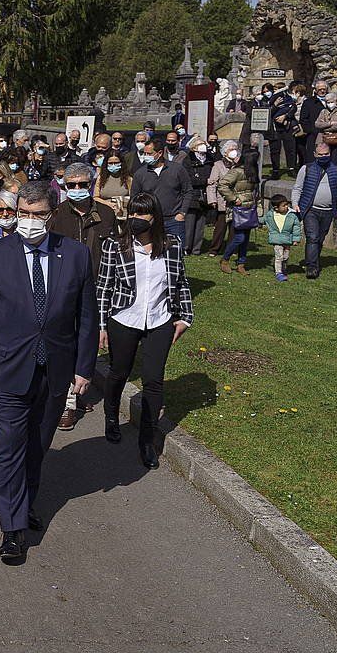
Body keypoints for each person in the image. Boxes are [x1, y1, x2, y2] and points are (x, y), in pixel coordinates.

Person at [0, 181, 97, 563]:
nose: (30, 221)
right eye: (23, 214)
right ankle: (12, 528)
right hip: (5, 371)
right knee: (8, 450)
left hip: (54, 369)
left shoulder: (75, 255)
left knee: (36, 447)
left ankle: (25, 504)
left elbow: (86, 316)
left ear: (52, 215)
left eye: (38, 215)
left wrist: (84, 367)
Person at [95, 193, 193, 469]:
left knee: (153, 380)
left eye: (143, 215)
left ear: (155, 218)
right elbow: (103, 287)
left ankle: (147, 440)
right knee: (119, 371)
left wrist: (185, 317)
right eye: (133, 214)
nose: (136, 220)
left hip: (160, 321)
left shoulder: (172, 246)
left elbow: (181, 283)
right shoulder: (116, 246)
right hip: (124, 318)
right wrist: (102, 325)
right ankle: (111, 416)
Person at [47, 161, 117, 431]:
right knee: (66, 344)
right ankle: (67, 404)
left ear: (91, 184)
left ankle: (78, 392)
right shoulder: (56, 215)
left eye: (82, 185)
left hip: (98, 287)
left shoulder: (107, 214)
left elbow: (113, 253)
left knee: (86, 342)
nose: (76, 189)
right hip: (63, 288)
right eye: (71, 185)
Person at [292, 140, 337, 279]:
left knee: (320, 239)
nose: (324, 156)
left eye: (326, 154)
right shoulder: (306, 169)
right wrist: (295, 203)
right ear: (314, 154)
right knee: (312, 237)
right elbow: (297, 188)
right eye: (320, 154)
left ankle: (313, 259)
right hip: (310, 209)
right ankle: (312, 267)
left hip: (329, 211)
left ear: (330, 154)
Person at [130, 138, 192, 247]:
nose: (145, 156)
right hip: (151, 221)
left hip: (174, 220)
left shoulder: (177, 169)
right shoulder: (140, 174)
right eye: (144, 153)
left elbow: (187, 191)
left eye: (149, 153)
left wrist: (182, 213)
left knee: (176, 253)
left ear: (159, 153)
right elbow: (134, 197)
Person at [216, 140, 256, 275]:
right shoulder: (237, 172)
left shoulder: (252, 172)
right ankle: (225, 259)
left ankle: (241, 263)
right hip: (238, 208)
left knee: (246, 239)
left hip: (249, 208)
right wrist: (234, 199)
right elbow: (222, 185)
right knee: (239, 238)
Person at [182, 136, 215, 255]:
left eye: (204, 144)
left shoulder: (209, 160)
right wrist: (204, 181)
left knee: (200, 225)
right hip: (192, 196)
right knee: (189, 225)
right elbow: (188, 179)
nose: (203, 146)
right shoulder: (187, 160)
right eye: (200, 144)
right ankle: (186, 247)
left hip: (205, 196)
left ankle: (196, 248)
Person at [264, 195, 303, 282]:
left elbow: (296, 227)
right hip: (277, 240)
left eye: (287, 204)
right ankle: (279, 273)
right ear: (276, 208)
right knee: (279, 256)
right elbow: (263, 220)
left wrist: (296, 239)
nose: (287, 207)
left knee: (285, 257)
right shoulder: (270, 215)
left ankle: (284, 269)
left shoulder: (292, 215)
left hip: (287, 240)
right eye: (284, 205)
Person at [269, 82, 299, 177]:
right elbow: (268, 112)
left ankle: (291, 168)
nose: (275, 90)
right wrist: (275, 105)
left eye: (277, 88)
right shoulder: (271, 100)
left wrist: (285, 116)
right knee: (275, 150)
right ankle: (275, 170)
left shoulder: (288, 99)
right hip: (275, 128)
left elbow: (293, 108)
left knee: (290, 149)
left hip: (287, 127)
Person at [313, 91, 337, 166]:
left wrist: (324, 127)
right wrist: (330, 123)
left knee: (335, 161)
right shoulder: (323, 111)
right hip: (323, 139)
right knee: (323, 160)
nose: (330, 104)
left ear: (336, 101)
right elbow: (317, 124)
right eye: (328, 102)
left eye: (331, 102)